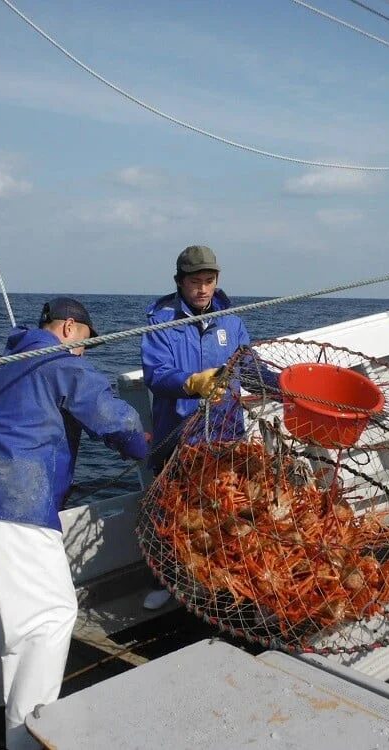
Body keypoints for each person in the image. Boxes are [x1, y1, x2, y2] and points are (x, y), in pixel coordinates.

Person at [0, 297, 148, 750]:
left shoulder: (11, 364)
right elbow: (109, 414)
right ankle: (26, 737)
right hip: (19, 508)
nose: (84, 351)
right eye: (84, 341)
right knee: (50, 618)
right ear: (67, 328)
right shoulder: (56, 359)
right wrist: (142, 443)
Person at [139, 245, 251, 609]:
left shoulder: (231, 320)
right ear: (179, 283)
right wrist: (191, 383)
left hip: (225, 434)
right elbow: (157, 374)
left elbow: (248, 367)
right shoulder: (161, 320)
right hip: (179, 435)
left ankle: (222, 586)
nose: (202, 289)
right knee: (173, 514)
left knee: (223, 513)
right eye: (194, 282)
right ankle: (170, 583)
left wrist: (284, 387)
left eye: (209, 281)